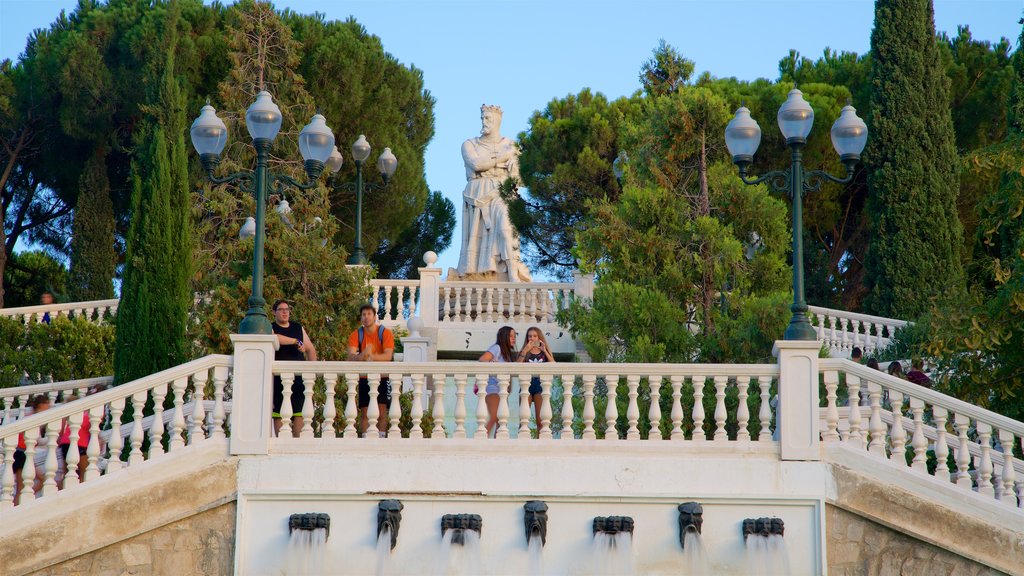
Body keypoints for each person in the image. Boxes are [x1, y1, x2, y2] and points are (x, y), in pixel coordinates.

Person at [455, 104, 532, 283]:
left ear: (497, 121)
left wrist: (514, 170)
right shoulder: (469, 144)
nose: (484, 121)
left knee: (507, 226)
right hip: (478, 194)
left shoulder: (511, 144)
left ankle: (512, 271)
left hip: (502, 192)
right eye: (482, 117)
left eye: (488, 118)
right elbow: (477, 164)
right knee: (477, 242)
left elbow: (521, 179)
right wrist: (505, 157)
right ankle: (479, 272)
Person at [347, 304, 395, 437]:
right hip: (364, 378)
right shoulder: (357, 334)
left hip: (382, 377)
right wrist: (363, 355)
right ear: (361, 318)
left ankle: (381, 437)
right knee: (365, 412)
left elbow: (388, 356)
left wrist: (371, 356)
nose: (366, 317)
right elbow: (350, 357)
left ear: (374, 316)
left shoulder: (384, 333)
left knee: (382, 410)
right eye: (363, 314)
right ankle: (365, 438)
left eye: (369, 314)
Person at [271, 299, 317, 437]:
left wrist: (311, 373)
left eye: (287, 309)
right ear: (274, 312)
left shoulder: (297, 328)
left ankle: (296, 442)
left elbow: (311, 350)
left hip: (298, 378)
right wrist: (295, 341)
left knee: (299, 410)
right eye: (281, 309)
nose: (285, 312)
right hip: (278, 378)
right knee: (279, 411)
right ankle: (282, 443)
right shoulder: (271, 327)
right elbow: (275, 338)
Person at [478, 326, 517, 438]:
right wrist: (491, 362)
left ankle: (496, 442)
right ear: (504, 337)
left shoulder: (507, 354)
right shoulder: (497, 348)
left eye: (514, 336)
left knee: (501, 420)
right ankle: (481, 439)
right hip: (492, 388)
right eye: (510, 336)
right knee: (495, 416)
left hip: (502, 391)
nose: (513, 339)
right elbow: (482, 359)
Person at [13, 395, 51, 505]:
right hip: (21, 454)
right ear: (38, 407)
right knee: (21, 487)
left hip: (25, 454)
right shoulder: (32, 420)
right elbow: (37, 440)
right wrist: (51, 440)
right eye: (45, 409)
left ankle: (24, 501)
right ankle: (16, 507)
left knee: (42, 479)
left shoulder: (29, 418)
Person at [516, 326, 555, 432]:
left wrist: (545, 351)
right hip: (526, 385)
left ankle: (540, 446)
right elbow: (516, 366)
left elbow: (554, 365)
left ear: (539, 337)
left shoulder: (543, 351)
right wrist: (525, 350)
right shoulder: (525, 351)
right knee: (523, 421)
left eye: (534, 336)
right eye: (529, 336)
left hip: (540, 386)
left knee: (540, 421)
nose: (532, 338)